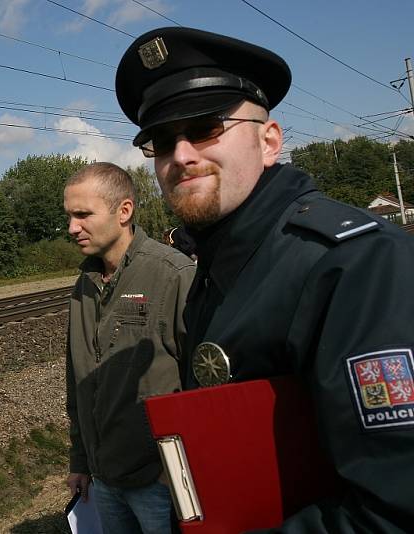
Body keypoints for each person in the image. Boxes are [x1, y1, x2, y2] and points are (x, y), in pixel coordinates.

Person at [115, 26, 414, 531]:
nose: (181, 155)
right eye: (161, 141)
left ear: (269, 141)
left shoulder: (356, 265)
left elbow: (396, 509)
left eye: (207, 127)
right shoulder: (217, 266)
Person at [64, 162, 195, 534]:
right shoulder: (84, 287)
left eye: (83, 214)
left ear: (124, 211)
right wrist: (80, 461)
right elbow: (78, 381)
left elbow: (205, 385)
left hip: (160, 482)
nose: (73, 228)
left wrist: (182, 478)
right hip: (105, 478)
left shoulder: (173, 274)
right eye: (70, 216)